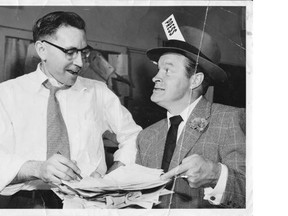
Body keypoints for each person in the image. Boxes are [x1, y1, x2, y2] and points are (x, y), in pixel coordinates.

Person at [0, 11, 141, 208]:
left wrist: (115, 173)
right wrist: (37, 168)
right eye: (70, 52)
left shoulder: (98, 92)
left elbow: (134, 135)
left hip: (89, 204)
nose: (80, 63)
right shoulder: (7, 94)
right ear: (42, 50)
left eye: (83, 52)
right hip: (26, 203)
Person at [136, 26, 245, 208]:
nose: (155, 77)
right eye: (158, 69)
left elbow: (253, 192)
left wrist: (217, 174)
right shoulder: (146, 137)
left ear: (195, 80)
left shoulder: (229, 120)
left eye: (167, 70)